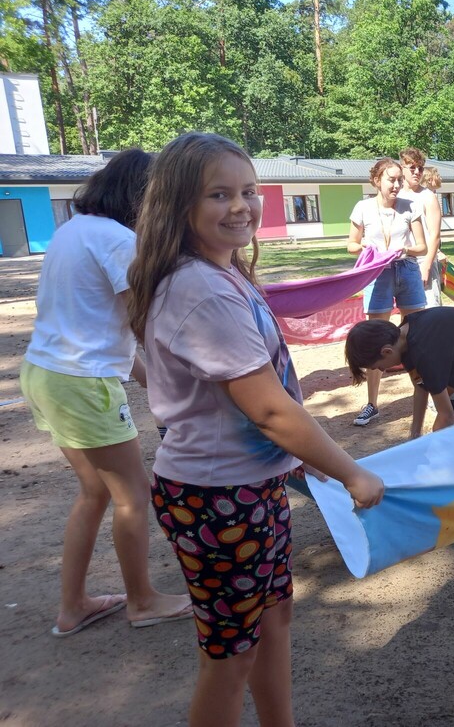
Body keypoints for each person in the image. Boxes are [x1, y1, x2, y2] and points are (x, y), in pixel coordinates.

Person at [126, 132, 384, 727]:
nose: (241, 206)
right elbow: (268, 410)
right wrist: (350, 472)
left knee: (274, 621)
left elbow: (267, 404)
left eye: (248, 190)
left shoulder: (222, 272)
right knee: (230, 658)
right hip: (218, 499)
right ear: (179, 205)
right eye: (219, 194)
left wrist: (302, 457)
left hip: (248, 487)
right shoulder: (201, 291)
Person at [19, 149, 192, 638]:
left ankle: (73, 606)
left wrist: (149, 378)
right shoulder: (119, 240)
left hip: (46, 373)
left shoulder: (73, 229)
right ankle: (143, 601)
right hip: (81, 383)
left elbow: (96, 324)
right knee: (133, 495)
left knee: (96, 491)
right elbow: (145, 321)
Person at [345, 306, 454, 439]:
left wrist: (432, 446)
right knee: (450, 427)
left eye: (377, 366)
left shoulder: (424, 352)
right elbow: (420, 387)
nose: (380, 370)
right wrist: (414, 435)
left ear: (387, 351)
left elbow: (446, 417)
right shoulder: (404, 338)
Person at [347, 157, 428, 426]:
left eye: (399, 180)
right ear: (376, 181)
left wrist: (404, 249)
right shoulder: (363, 207)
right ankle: (372, 404)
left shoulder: (410, 206)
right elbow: (351, 245)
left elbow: (422, 247)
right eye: (391, 180)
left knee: (415, 335)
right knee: (375, 339)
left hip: (407, 270)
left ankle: (426, 391)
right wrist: (366, 248)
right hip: (377, 272)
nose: (396, 185)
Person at [399, 147, 443, 308]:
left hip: (424, 261)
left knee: (431, 310)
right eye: (412, 168)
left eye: (420, 168)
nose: (417, 172)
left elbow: (435, 236)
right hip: (402, 262)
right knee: (409, 312)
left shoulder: (428, 197)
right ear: (402, 169)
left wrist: (427, 266)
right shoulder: (396, 196)